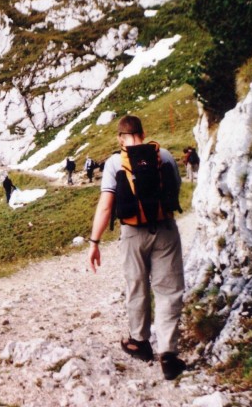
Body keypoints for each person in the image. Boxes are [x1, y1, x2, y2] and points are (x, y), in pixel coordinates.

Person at [87, 115, 186, 381]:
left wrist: (94, 242)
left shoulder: (114, 162)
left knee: (137, 286)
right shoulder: (163, 155)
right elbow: (175, 190)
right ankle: (168, 355)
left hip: (132, 233)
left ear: (121, 137)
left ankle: (140, 343)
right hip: (165, 229)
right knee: (168, 290)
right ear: (143, 132)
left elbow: (107, 205)